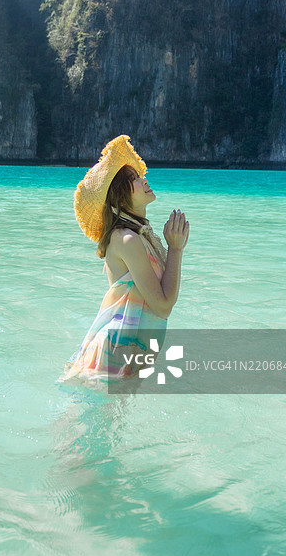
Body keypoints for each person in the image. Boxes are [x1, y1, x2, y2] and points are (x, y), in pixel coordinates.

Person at [58, 134, 189, 387]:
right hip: (113, 354)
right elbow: (163, 307)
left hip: (126, 353)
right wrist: (175, 249)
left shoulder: (139, 236)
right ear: (120, 197)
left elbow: (162, 302)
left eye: (139, 176)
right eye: (134, 180)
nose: (144, 180)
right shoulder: (126, 239)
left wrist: (174, 248)